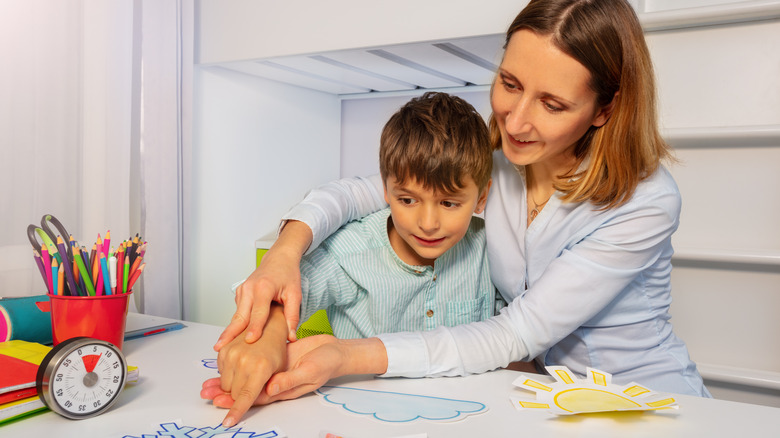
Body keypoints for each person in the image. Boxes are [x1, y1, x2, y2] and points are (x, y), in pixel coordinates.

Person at [207, 0, 711, 425]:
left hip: (645, 401)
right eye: (510, 83)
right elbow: (364, 192)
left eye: (552, 105)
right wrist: (284, 256)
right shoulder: (495, 165)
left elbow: (515, 332)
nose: (515, 120)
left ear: (604, 109)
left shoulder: (646, 201)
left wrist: (345, 356)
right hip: (544, 401)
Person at [203, 92, 509, 426]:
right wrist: (270, 336)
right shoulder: (352, 251)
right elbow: (287, 290)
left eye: (449, 204)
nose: (428, 223)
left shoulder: (490, 250)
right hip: (357, 421)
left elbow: (509, 336)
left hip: (468, 421)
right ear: (385, 191)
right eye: (407, 200)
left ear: (481, 198)